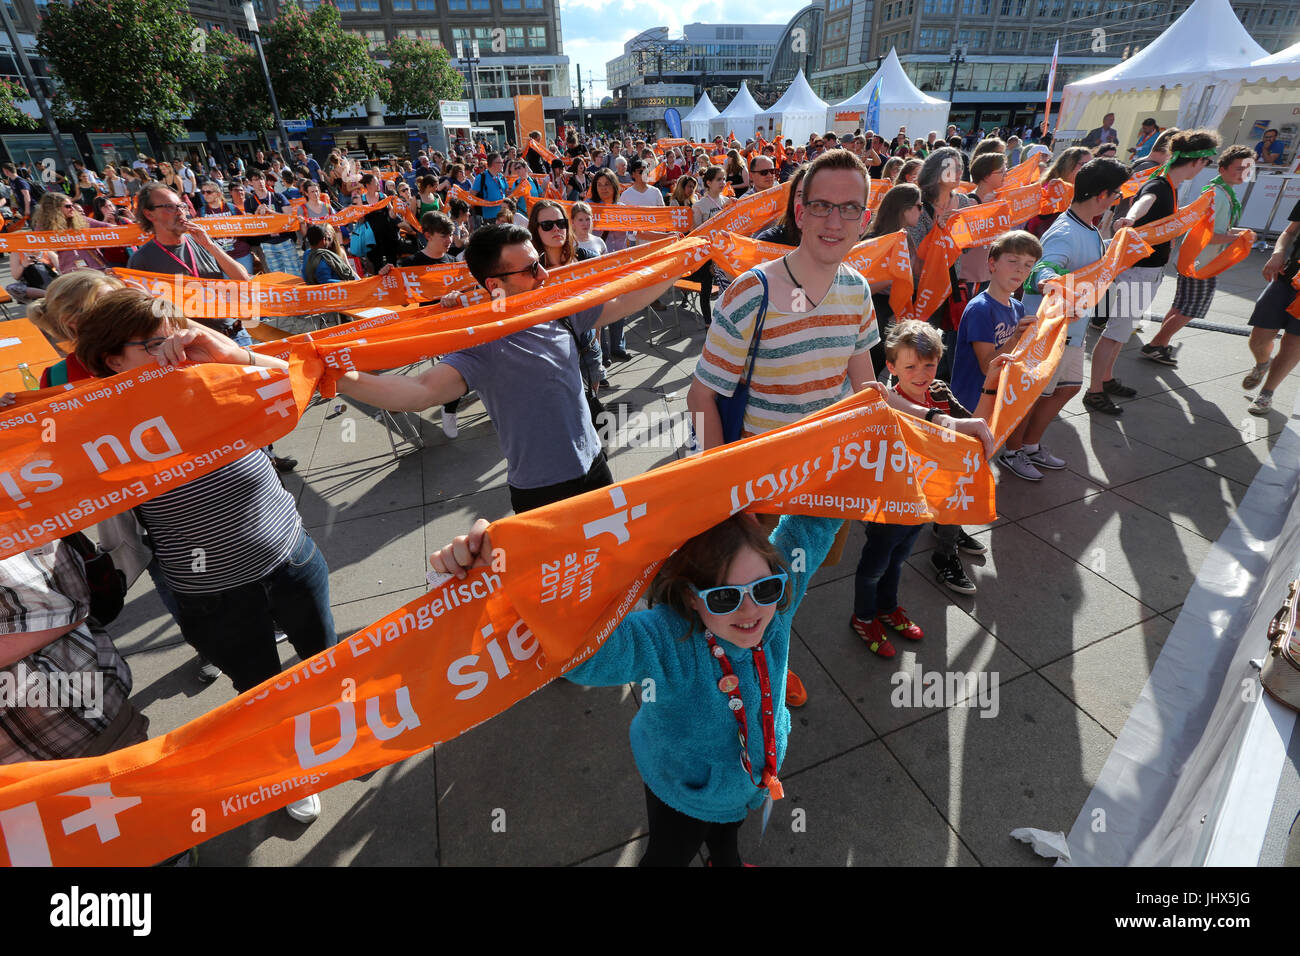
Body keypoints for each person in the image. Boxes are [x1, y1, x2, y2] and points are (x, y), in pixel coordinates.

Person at [688, 149, 994, 701]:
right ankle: (749, 673)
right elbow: (701, 395)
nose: (835, 221)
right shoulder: (750, 294)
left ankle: (770, 660)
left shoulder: (856, 290)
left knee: (793, 583)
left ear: (864, 215)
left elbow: (866, 394)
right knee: (748, 590)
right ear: (800, 212)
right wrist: (721, 493)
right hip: (758, 482)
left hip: (828, 475)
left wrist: (943, 422)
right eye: (823, 206)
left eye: (850, 209)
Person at [430, 505, 841, 866]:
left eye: (764, 588)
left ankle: (725, 860)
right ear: (691, 597)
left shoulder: (779, 603)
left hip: (743, 783)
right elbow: (587, 652)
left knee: (729, 830)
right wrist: (503, 578)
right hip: (684, 790)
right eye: (724, 598)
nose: (751, 610)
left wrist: (867, 427)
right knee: (670, 854)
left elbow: (815, 524)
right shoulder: (667, 638)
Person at [336, 224, 677, 513]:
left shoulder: (556, 308)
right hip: (543, 489)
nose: (544, 274)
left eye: (539, 262)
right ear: (494, 284)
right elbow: (421, 391)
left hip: (595, 464)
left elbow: (622, 302)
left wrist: (679, 261)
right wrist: (337, 377)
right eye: (531, 269)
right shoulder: (485, 341)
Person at [1013, 158, 1134, 478]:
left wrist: (1114, 243)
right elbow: (1042, 266)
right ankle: (1013, 451)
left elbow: (1087, 263)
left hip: (1074, 329)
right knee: (1034, 395)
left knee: (1068, 388)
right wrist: (1046, 280)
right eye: (1117, 195)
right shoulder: (1065, 231)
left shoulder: (1090, 227)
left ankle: (1029, 446)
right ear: (1102, 195)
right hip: (1051, 331)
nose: (1118, 201)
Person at [874, 321, 1006, 601]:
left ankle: (945, 549)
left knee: (958, 490)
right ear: (892, 367)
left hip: (944, 478)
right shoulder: (889, 403)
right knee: (886, 555)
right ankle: (943, 550)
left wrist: (990, 384)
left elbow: (974, 423)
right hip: (909, 487)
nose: (921, 375)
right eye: (910, 367)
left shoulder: (939, 391)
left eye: (929, 365)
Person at [1095, 129, 1218, 415]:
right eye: (1206, 163)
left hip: (1146, 271)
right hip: (1137, 272)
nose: (1204, 169)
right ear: (1197, 162)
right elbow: (1144, 201)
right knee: (1116, 332)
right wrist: (1130, 217)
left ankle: (1105, 378)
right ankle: (1095, 390)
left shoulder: (1169, 187)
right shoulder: (1160, 185)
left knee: (1121, 332)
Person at [1142, 144, 1252, 367]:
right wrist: (1237, 238)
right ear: (1222, 169)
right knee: (1191, 309)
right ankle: (1156, 344)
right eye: (1238, 168)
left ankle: (1160, 344)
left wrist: (1239, 234)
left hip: (1196, 259)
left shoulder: (1219, 192)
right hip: (1202, 263)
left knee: (1181, 306)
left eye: (1247, 168)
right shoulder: (1219, 195)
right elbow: (1209, 235)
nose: (1243, 173)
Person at [950, 230, 1043, 476]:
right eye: (1012, 261)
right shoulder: (981, 309)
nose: (1020, 270)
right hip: (970, 401)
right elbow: (985, 365)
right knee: (962, 462)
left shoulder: (1018, 306)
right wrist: (1015, 338)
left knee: (978, 459)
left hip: (993, 399)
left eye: (1028, 265)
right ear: (992, 264)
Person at [127, 182, 253, 345]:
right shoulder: (141, 260)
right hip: (197, 347)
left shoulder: (200, 241)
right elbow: (147, 317)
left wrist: (211, 246)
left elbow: (243, 279)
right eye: (169, 207)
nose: (180, 211)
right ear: (149, 214)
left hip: (236, 334)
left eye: (181, 205)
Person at [1244, 191, 1300, 416]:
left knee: (1294, 343)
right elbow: (1289, 233)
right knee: (1259, 338)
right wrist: (1278, 254)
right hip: (1287, 278)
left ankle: (1267, 393)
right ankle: (1262, 362)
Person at [864, 182, 923, 372]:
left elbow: (918, 272)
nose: (922, 212)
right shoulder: (875, 240)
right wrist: (894, 278)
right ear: (904, 209)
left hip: (897, 310)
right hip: (877, 312)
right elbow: (861, 286)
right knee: (873, 367)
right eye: (919, 206)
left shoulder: (905, 237)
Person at [955, 152, 1008, 296]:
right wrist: (985, 208)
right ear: (986, 176)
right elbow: (962, 241)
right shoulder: (970, 202)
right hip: (970, 277)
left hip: (987, 274)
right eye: (1001, 171)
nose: (1005, 175)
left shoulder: (997, 200)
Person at [688, 166, 730, 326]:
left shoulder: (727, 201)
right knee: (706, 287)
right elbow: (695, 231)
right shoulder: (699, 205)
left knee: (727, 287)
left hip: (725, 252)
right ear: (708, 182)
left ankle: (726, 319)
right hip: (707, 255)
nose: (723, 182)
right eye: (719, 179)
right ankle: (708, 322)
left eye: (724, 179)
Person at [471, 153, 509, 226]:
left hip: (504, 216)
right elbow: (472, 195)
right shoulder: (481, 177)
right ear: (494, 164)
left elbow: (507, 193)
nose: (503, 164)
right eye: (501, 162)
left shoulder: (501, 177)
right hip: (490, 217)